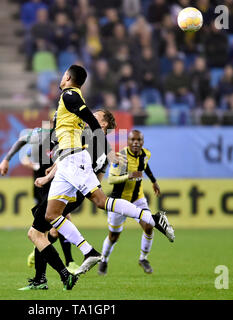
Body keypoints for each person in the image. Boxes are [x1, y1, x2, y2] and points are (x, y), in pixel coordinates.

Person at [28, 65, 174, 288]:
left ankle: (153, 218)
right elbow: (82, 130)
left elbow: (92, 121)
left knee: (100, 201)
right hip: (67, 162)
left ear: (68, 77)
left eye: (63, 74)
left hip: (75, 162)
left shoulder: (69, 95)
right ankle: (89, 252)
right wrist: (50, 175)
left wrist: (105, 150)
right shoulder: (71, 105)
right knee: (51, 214)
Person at [16, 109, 118, 290]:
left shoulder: (87, 138)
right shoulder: (104, 149)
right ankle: (41, 278)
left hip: (65, 190)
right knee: (44, 232)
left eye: (96, 116)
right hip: (75, 194)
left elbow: (68, 158)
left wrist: (48, 177)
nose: (91, 116)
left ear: (103, 124)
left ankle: (65, 274)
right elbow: (98, 182)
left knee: (36, 233)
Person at [0, 119, 79, 273]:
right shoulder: (41, 135)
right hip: (43, 188)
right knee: (52, 226)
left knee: (57, 225)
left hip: (56, 186)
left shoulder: (67, 139)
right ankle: (60, 260)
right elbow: (22, 143)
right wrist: (6, 160)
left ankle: (49, 257)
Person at [98, 130, 164, 276]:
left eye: (139, 140)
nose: (136, 142)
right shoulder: (121, 157)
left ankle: (143, 258)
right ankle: (104, 259)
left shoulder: (145, 154)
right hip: (119, 202)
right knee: (113, 236)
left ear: (143, 142)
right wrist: (129, 175)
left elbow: (145, 166)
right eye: (132, 140)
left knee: (149, 226)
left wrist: (154, 181)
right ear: (127, 141)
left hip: (137, 199)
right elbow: (111, 180)